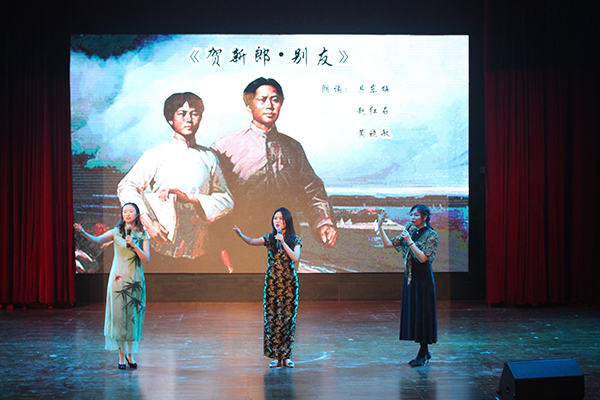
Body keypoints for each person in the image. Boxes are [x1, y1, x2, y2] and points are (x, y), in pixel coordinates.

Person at [212, 77, 336, 272]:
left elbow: (312, 189)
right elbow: (213, 198)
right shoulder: (225, 147)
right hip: (241, 241)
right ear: (248, 105)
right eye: (262, 100)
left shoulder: (293, 148)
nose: (270, 105)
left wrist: (323, 223)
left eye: (275, 100)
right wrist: (219, 246)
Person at [118, 92, 233, 261]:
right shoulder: (156, 154)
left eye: (194, 114)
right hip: (161, 246)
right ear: (170, 119)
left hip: (199, 248)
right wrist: (147, 222)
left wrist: (189, 198)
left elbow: (226, 199)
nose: (189, 119)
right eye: (182, 113)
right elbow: (127, 186)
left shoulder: (209, 156)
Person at [74, 202, 150, 370]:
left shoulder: (142, 234)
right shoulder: (116, 232)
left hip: (135, 281)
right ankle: (121, 356)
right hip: (118, 280)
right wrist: (83, 231)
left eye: (131, 211)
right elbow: (97, 240)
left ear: (137, 214)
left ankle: (130, 354)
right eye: (125, 211)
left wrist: (134, 245)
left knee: (132, 318)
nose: (127, 214)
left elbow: (146, 259)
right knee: (119, 319)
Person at [233, 207, 302, 368]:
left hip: (289, 285)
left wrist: (283, 241)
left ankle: (286, 356)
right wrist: (241, 235)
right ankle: (276, 356)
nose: (277, 221)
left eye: (280, 218)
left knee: (287, 320)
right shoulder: (270, 238)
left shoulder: (295, 240)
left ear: (287, 221)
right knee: (272, 320)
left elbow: (295, 258)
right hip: (272, 284)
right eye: (275, 218)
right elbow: (252, 241)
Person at [377, 204, 438, 367]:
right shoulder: (410, 230)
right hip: (411, 278)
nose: (412, 218)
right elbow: (388, 244)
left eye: (416, 215)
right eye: (411, 215)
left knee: (424, 314)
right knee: (415, 314)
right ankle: (424, 352)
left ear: (425, 217)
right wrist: (380, 226)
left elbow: (423, 258)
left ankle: (423, 351)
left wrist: (410, 241)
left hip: (423, 280)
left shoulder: (432, 235)